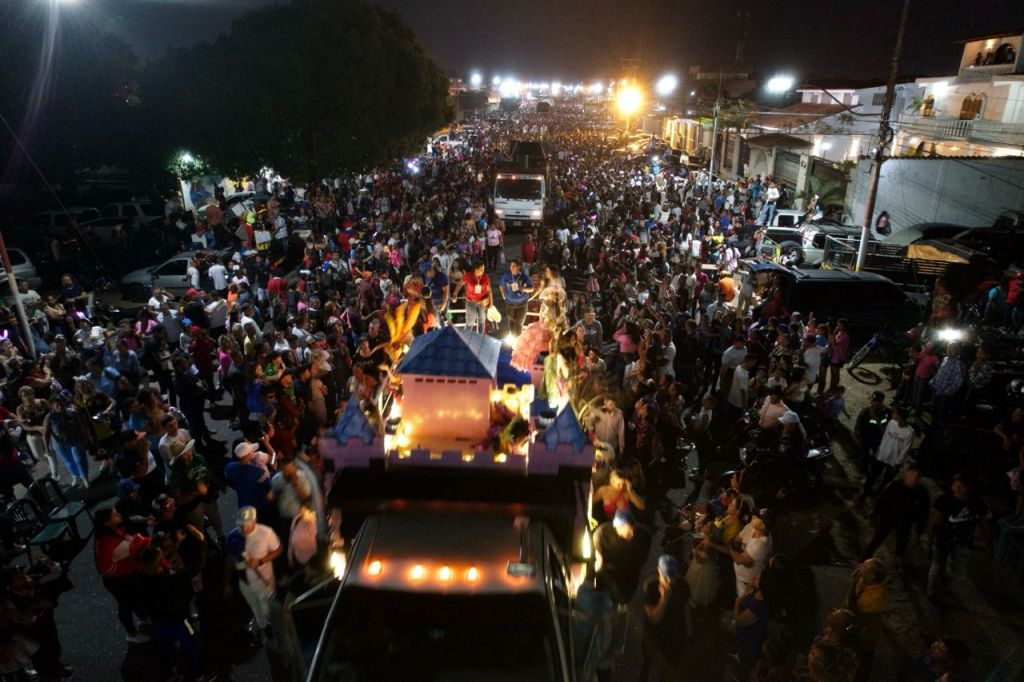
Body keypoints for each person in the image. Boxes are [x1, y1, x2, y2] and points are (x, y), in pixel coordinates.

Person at [136, 536, 205, 682]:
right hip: (178, 619)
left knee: (163, 649)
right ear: (156, 562)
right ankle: (198, 674)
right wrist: (200, 545)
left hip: (159, 621)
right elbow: (193, 569)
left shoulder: (140, 580)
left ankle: (168, 674)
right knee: (191, 644)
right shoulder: (167, 580)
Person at [93, 507, 151, 643]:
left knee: (134, 598)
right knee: (125, 604)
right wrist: (127, 565)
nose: (118, 515)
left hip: (125, 575)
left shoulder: (114, 531)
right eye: (114, 515)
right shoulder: (108, 544)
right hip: (117, 581)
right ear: (106, 523)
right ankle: (131, 633)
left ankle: (143, 618)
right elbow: (105, 569)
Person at [924, 474, 988, 599]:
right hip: (943, 540)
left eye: (962, 486)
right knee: (936, 565)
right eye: (955, 485)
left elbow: (983, 522)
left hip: (962, 542)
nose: (958, 488)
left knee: (957, 570)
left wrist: (988, 541)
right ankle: (930, 589)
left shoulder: (976, 502)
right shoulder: (944, 500)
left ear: (969, 488)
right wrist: (929, 544)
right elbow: (933, 522)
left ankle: (945, 584)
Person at [226, 506, 280, 636]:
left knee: (266, 607)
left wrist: (260, 561)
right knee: (255, 607)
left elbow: (277, 550)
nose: (244, 529)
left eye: (247, 525)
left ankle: (272, 626)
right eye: (241, 525)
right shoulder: (232, 537)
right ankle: (263, 627)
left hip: (264, 581)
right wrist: (227, 582)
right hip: (245, 582)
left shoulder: (266, 532)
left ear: (255, 521)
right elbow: (230, 559)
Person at [861, 464, 929, 566]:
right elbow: (882, 500)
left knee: (902, 542)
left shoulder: (922, 493)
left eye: (918, 476)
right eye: (912, 474)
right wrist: (874, 515)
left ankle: (896, 560)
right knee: (877, 538)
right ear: (907, 473)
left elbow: (923, 513)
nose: (914, 478)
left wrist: (919, 531)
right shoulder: (895, 485)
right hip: (888, 518)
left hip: (906, 522)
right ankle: (864, 559)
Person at [640, 555, 689, 682]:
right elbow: (653, 618)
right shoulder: (651, 586)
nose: (669, 580)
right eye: (666, 575)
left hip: (674, 634)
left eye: (673, 576)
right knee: (648, 661)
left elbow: (685, 607)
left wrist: (688, 627)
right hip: (654, 635)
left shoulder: (683, 585)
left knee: (669, 667)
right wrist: (664, 598)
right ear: (659, 571)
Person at [593, 509, 652, 605]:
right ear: (618, 527)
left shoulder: (644, 535)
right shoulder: (602, 533)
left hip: (629, 578)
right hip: (610, 577)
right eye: (629, 531)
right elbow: (598, 558)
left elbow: (643, 559)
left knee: (623, 600)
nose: (632, 533)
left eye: (633, 528)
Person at [861, 407, 915, 500]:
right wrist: (879, 451)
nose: (892, 414)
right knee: (872, 475)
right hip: (882, 456)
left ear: (899, 416)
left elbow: (905, 450)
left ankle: (880, 494)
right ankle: (865, 493)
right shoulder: (891, 423)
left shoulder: (910, 432)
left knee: (886, 480)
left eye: (894, 413)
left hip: (893, 461)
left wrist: (897, 463)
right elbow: (885, 438)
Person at [729, 510, 772, 597]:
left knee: (742, 599)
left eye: (756, 518)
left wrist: (729, 545)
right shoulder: (757, 531)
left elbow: (739, 560)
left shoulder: (760, 545)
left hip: (746, 582)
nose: (752, 517)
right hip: (743, 577)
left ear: (762, 526)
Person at [854, 390, 891, 471]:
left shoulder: (887, 411)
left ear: (878, 402)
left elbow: (890, 424)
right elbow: (858, 425)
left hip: (877, 438)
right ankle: (865, 469)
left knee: (876, 455)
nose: (871, 401)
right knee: (865, 454)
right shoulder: (868, 411)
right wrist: (858, 436)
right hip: (869, 438)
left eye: (873, 400)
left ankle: (872, 469)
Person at [497, 259, 533, 337]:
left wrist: (524, 289)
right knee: (511, 321)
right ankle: (513, 338)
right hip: (510, 303)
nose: (512, 268)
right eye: (511, 266)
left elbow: (532, 288)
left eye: (514, 266)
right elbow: (501, 284)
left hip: (522, 303)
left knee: (519, 323)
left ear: (518, 267)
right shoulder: (507, 275)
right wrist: (503, 294)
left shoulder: (524, 277)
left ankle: (518, 341)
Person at [461, 261, 492, 333]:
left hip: (483, 302)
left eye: (483, 269)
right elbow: (461, 282)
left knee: (481, 321)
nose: (483, 271)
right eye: (481, 269)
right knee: (470, 322)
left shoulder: (485, 277)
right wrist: (455, 293)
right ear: (476, 269)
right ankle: (466, 337)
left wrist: (491, 302)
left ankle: (480, 338)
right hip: (471, 301)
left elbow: (489, 290)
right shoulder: (469, 276)